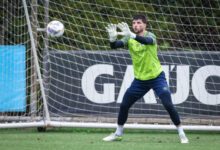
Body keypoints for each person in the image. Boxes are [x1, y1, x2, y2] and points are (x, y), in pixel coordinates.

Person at [103, 14, 189, 144]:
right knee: (124, 104)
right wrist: (112, 38)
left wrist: (132, 35)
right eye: (133, 23)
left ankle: (182, 133)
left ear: (145, 25)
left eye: (138, 23)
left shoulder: (150, 36)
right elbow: (115, 45)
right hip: (140, 80)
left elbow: (147, 42)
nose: (135, 25)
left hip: (156, 77)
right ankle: (118, 134)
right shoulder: (129, 38)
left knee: (167, 103)